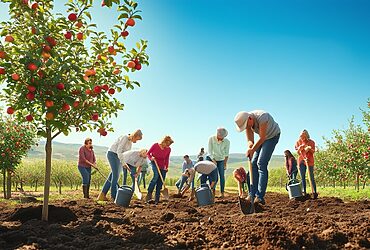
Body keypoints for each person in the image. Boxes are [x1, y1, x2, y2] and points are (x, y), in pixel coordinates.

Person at [234, 110, 280, 207]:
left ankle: (259, 196)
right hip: (262, 138)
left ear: (250, 119)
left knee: (261, 163)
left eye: (246, 125)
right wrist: (250, 146)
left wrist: (253, 150)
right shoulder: (247, 123)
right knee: (253, 162)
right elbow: (250, 140)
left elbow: (262, 138)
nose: (247, 128)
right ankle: (251, 194)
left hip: (272, 136)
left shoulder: (262, 117)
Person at [97, 129, 143, 201]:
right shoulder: (125, 138)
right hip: (112, 154)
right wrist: (123, 163)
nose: (136, 141)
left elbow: (126, 155)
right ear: (135, 136)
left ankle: (102, 195)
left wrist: (126, 164)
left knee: (112, 176)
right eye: (137, 139)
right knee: (116, 176)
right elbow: (119, 151)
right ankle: (114, 196)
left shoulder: (130, 143)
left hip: (119, 157)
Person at [146, 136, 174, 204]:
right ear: (164, 141)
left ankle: (157, 199)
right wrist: (151, 158)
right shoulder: (155, 145)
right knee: (156, 176)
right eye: (167, 144)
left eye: (169, 145)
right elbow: (148, 153)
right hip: (154, 162)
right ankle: (149, 193)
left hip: (162, 165)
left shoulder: (168, 149)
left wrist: (166, 167)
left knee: (160, 182)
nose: (168, 146)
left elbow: (167, 158)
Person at [207, 127, 230, 198]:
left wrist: (225, 164)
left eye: (222, 137)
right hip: (211, 159)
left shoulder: (227, 142)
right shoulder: (211, 139)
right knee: (213, 176)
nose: (221, 138)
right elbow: (210, 152)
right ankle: (212, 192)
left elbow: (226, 154)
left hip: (221, 160)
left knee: (222, 176)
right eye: (219, 136)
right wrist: (213, 161)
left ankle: (222, 193)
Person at [295, 129, 318, 198]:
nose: (303, 137)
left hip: (309, 161)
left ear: (307, 135)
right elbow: (298, 152)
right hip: (301, 160)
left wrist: (309, 149)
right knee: (302, 177)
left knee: (311, 177)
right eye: (302, 136)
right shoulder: (298, 142)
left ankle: (314, 192)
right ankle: (304, 192)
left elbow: (313, 151)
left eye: (304, 136)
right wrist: (300, 148)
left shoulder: (311, 142)